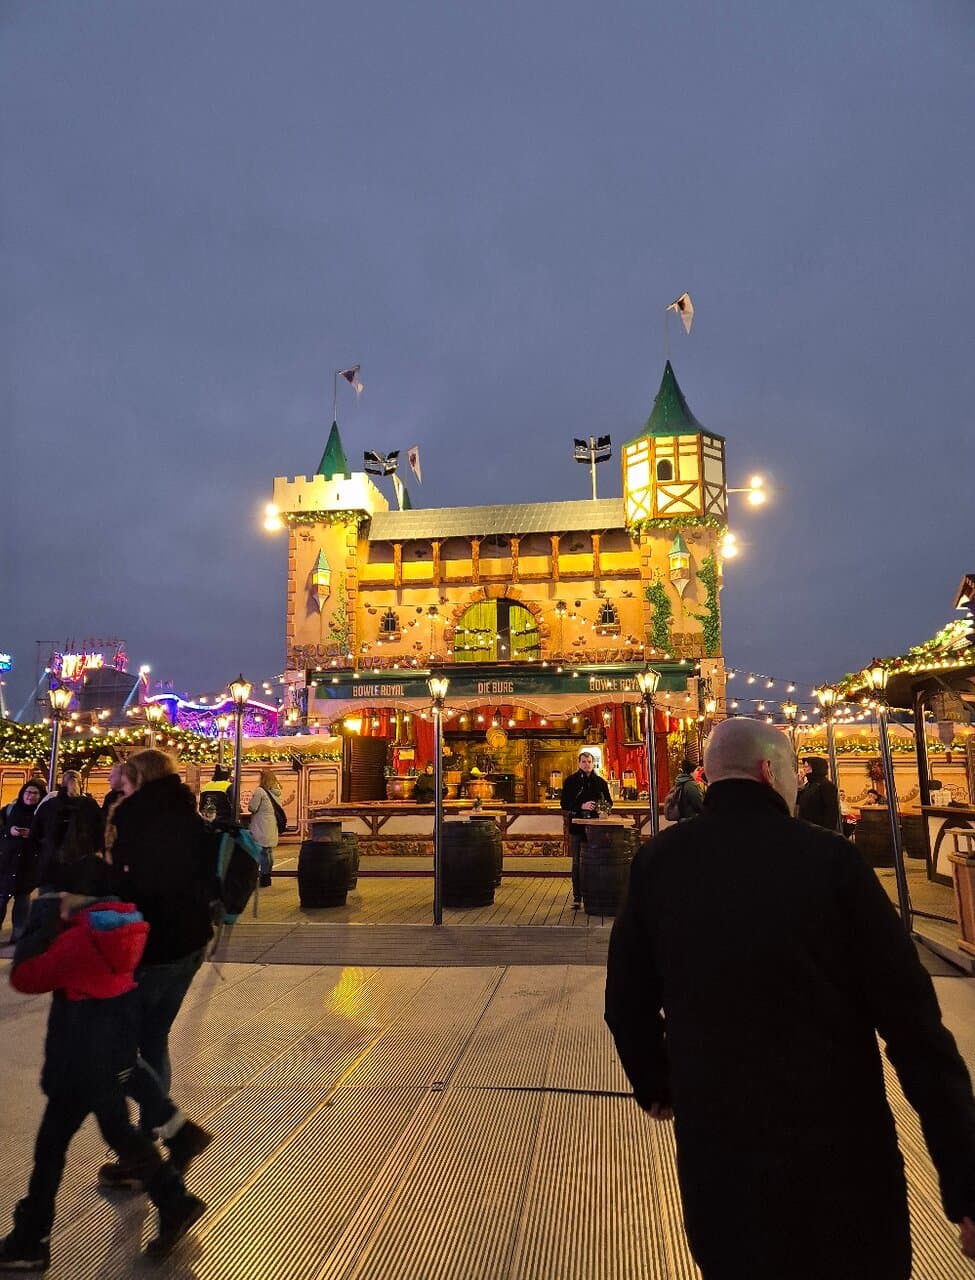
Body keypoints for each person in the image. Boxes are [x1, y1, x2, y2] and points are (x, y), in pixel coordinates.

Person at [605, 717, 975, 1280]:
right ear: (769, 772)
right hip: (840, 1155)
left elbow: (625, 1000)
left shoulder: (660, 862)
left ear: (709, 776)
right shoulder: (832, 862)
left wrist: (657, 1082)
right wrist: (966, 1182)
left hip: (720, 1153)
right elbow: (915, 1027)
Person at [0, 894, 206, 1268]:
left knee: (52, 1147)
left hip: (80, 1060)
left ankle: (31, 1239)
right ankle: (175, 1187)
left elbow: (25, 978)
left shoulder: (76, 942)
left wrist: (39, 925)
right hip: (107, 1049)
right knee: (114, 1132)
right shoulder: (122, 926)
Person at [99, 749, 213, 1187]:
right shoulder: (189, 811)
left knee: (112, 1052)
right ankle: (148, 1144)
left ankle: (159, 1139)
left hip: (153, 946)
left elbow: (132, 883)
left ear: (139, 777)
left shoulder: (136, 816)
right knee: (154, 1039)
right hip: (191, 943)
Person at [29, 771, 104, 893]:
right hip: (81, 867)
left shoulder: (49, 805)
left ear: (61, 784)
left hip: (51, 866)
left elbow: (34, 835)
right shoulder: (90, 805)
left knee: (48, 906)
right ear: (81, 784)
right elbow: (100, 834)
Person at [560, 751, 612, 909]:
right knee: (577, 862)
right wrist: (581, 806)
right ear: (579, 763)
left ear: (593, 763)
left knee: (596, 860)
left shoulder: (600, 782)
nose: (586, 764)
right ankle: (577, 897)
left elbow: (609, 802)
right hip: (577, 826)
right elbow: (564, 803)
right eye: (583, 762)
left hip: (596, 828)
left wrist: (602, 808)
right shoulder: (571, 781)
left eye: (589, 762)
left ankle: (596, 893)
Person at [0, 781, 46, 948]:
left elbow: (47, 837)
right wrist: (9, 832)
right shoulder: (10, 810)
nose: (30, 796)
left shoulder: (42, 813)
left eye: (35, 793)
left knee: (22, 899)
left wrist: (32, 835)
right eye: (28, 792)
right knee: (2, 897)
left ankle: (18, 935)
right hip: (7, 862)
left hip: (28, 864)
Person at [248, 767, 283, 887]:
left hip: (260, 825)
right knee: (268, 852)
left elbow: (252, 808)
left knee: (261, 852)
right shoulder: (276, 792)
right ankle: (267, 876)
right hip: (272, 825)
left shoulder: (260, 791)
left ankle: (262, 876)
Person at [795, 755, 840, 831]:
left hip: (819, 829)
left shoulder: (826, 786)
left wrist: (826, 832)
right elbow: (799, 801)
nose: (804, 769)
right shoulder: (809, 784)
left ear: (816, 767)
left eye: (806, 767)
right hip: (806, 827)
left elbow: (831, 812)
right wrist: (800, 787)